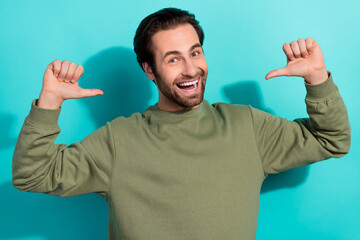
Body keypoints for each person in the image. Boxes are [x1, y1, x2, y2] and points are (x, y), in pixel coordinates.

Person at [12, 7, 350, 240]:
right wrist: (50, 102)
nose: (190, 69)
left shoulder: (245, 125)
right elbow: (32, 174)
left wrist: (317, 78)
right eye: (173, 59)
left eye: (196, 52)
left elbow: (332, 139)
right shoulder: (119, 140)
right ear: (149, 70)